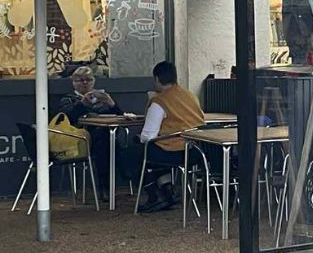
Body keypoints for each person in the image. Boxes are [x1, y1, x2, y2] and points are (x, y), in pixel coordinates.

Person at [136, 61, 205, 213]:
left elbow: (148, 136)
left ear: (157, 79)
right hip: (195, 150)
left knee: (141, 152)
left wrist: (140, 137)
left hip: (174, 152)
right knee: (156, 150)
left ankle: (155, 196)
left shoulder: (159, 101)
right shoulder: (190, 96)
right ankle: (168, 190)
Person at [55, 65, 124, 200]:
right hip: (80, 141)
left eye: (89, 79)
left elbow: (120, 116)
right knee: (106, 142)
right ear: (73, 83)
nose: (85, 83)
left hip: (105, 138)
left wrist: (111, 103)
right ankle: (113, 181)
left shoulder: (102, 98)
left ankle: (108, 186)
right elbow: (68, 118)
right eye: (81, 80)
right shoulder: (68, 100)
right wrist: (82, 104)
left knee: (105, 140)